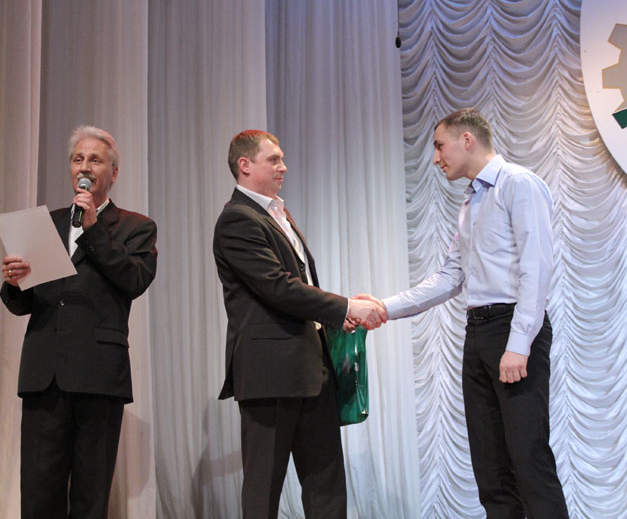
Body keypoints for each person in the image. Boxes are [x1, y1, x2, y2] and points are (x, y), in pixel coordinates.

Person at [359, 109, 568, 518]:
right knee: (489, 465)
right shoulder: (472, 201)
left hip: (511, 328)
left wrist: (519, 343)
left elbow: (537, 266)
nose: (436, 158)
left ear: (467, 140)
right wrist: (384, 307)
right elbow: (449, 277)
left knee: (528, 457)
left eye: (440, 146)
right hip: (478, 333)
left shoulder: (518, 184)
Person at [213, 130, 386, 518]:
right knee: (264, 488)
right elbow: (278, 287)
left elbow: (300, 286)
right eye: (273, 159)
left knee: (326, 485)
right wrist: (346, 306)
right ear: (245, 165)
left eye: (282, 159)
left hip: (312, 369)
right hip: (270, 374)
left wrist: (338, 317)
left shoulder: (277, 213)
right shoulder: (237, 219)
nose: (284, 167)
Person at [0, 125, 157, 518]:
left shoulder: (136, 227)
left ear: (113, 172)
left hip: (99, 374)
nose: (84, 166)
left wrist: (93, 230)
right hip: (44, 373)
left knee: (90, 494)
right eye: (77, 159)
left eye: (95, 160)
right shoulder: (46, 224)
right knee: (39, 491)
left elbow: (134, 281)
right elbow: (25, 304)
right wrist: (15, 283)